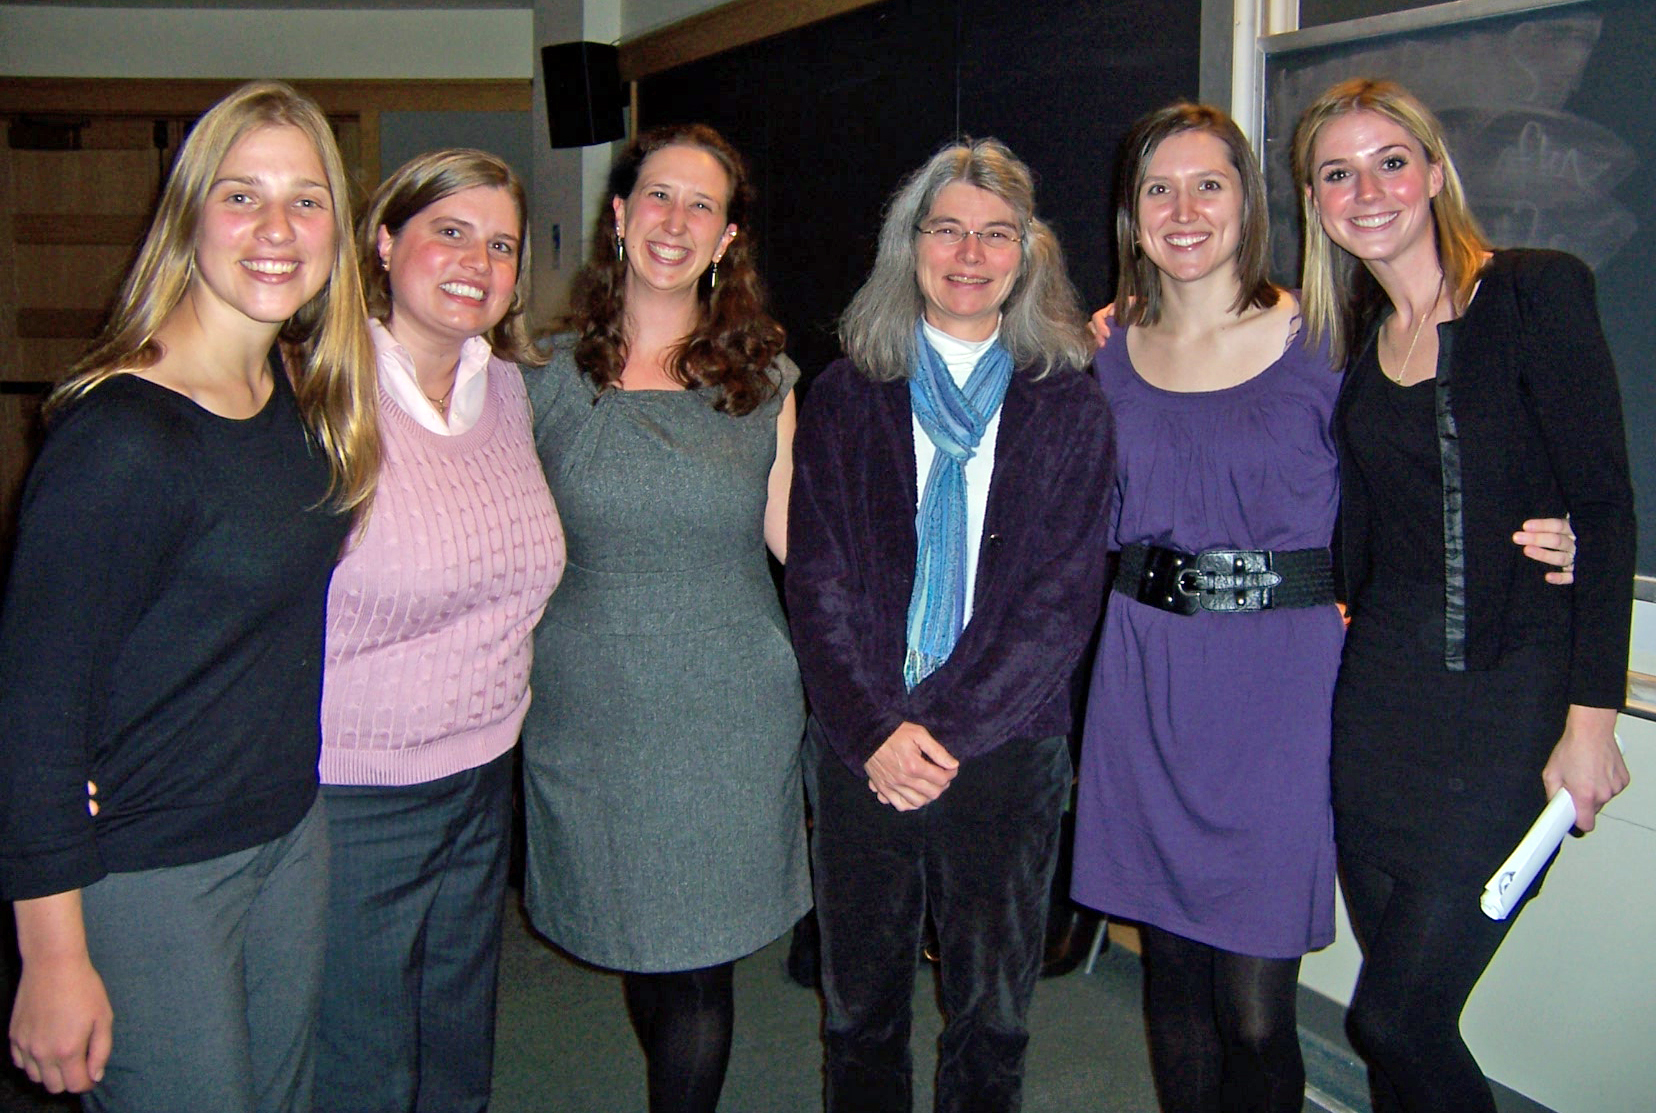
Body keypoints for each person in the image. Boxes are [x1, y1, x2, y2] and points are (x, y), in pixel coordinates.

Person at [0, 81, 378, 1112]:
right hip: (154, 870)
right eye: (240, 195)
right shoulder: (124, 438)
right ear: (186, 217)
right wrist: (51, 956)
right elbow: (34, 710)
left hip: (285, 836)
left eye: (307, 200)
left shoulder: (294, 399)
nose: (276, 229)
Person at [1293, 77, 1633, 1113]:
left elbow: (1608, 509)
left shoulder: (1537, 290)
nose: (1370, 190)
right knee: (1410, 1030)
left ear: (1435, 172)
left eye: (1391, 161)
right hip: (1378, 704)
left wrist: (1593, 722)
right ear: (1314, 203)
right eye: (1337, 173)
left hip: (1508, 704)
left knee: (1392, 1017)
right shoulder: (1346, 336)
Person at [786, 138, 1112, 1113]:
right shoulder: (847, 394)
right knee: (859, 1012)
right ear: (911, 245)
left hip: (1005, 750)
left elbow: (1058, 603)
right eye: (947, 230)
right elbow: (819, 580)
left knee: (990, 1017)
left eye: (995, 234)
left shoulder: (1070, 404)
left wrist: (944, 735)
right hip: (861, 745)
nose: (970, 254)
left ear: (1028, 253)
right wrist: (877, 732)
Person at [518, 123, 806, 1113]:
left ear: (727, 239)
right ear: (618, 216)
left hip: (726, 715)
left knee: (696, 971)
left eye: (702, 205)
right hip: (591, 714)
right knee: (647, 947)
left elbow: (805, 548)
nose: (675, 220)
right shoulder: (541, 377)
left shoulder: (764, 382)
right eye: (657, 196)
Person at [1069, 103, 1343, 1113]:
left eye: (1208, 184)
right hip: (1145, 680)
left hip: (1282, 689)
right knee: (1173, 980)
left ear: (1247, 202)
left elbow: (1409, 489)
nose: (1184, 210)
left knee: (1257, 1007)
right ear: (1131, 216)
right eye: (1158, 189)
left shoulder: (1323, 337)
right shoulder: (1105, 355)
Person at [313, 150, 565, 1113]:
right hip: (354, 790)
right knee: (360, 1060)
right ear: (384, 242)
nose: (478, 261)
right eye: (448, 231)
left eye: (500, 244)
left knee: (457, 1048)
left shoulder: (506, 391)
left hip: (481, 774)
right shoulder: (318, 395)